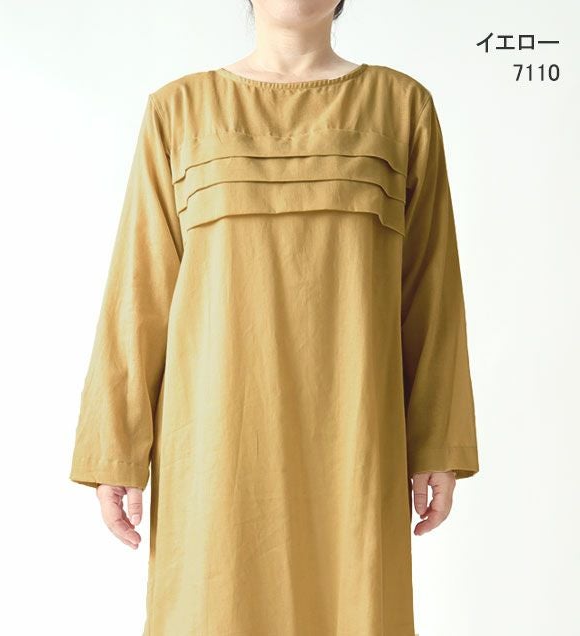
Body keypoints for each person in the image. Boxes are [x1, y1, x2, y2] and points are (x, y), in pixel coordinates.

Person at [69, 1, 480, 634]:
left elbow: (431, 289)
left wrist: (437, 443)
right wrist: (115, 448)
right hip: (217, 446)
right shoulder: (179, 112)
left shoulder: (402, 108)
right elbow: (139, 289)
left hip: (355, 440)